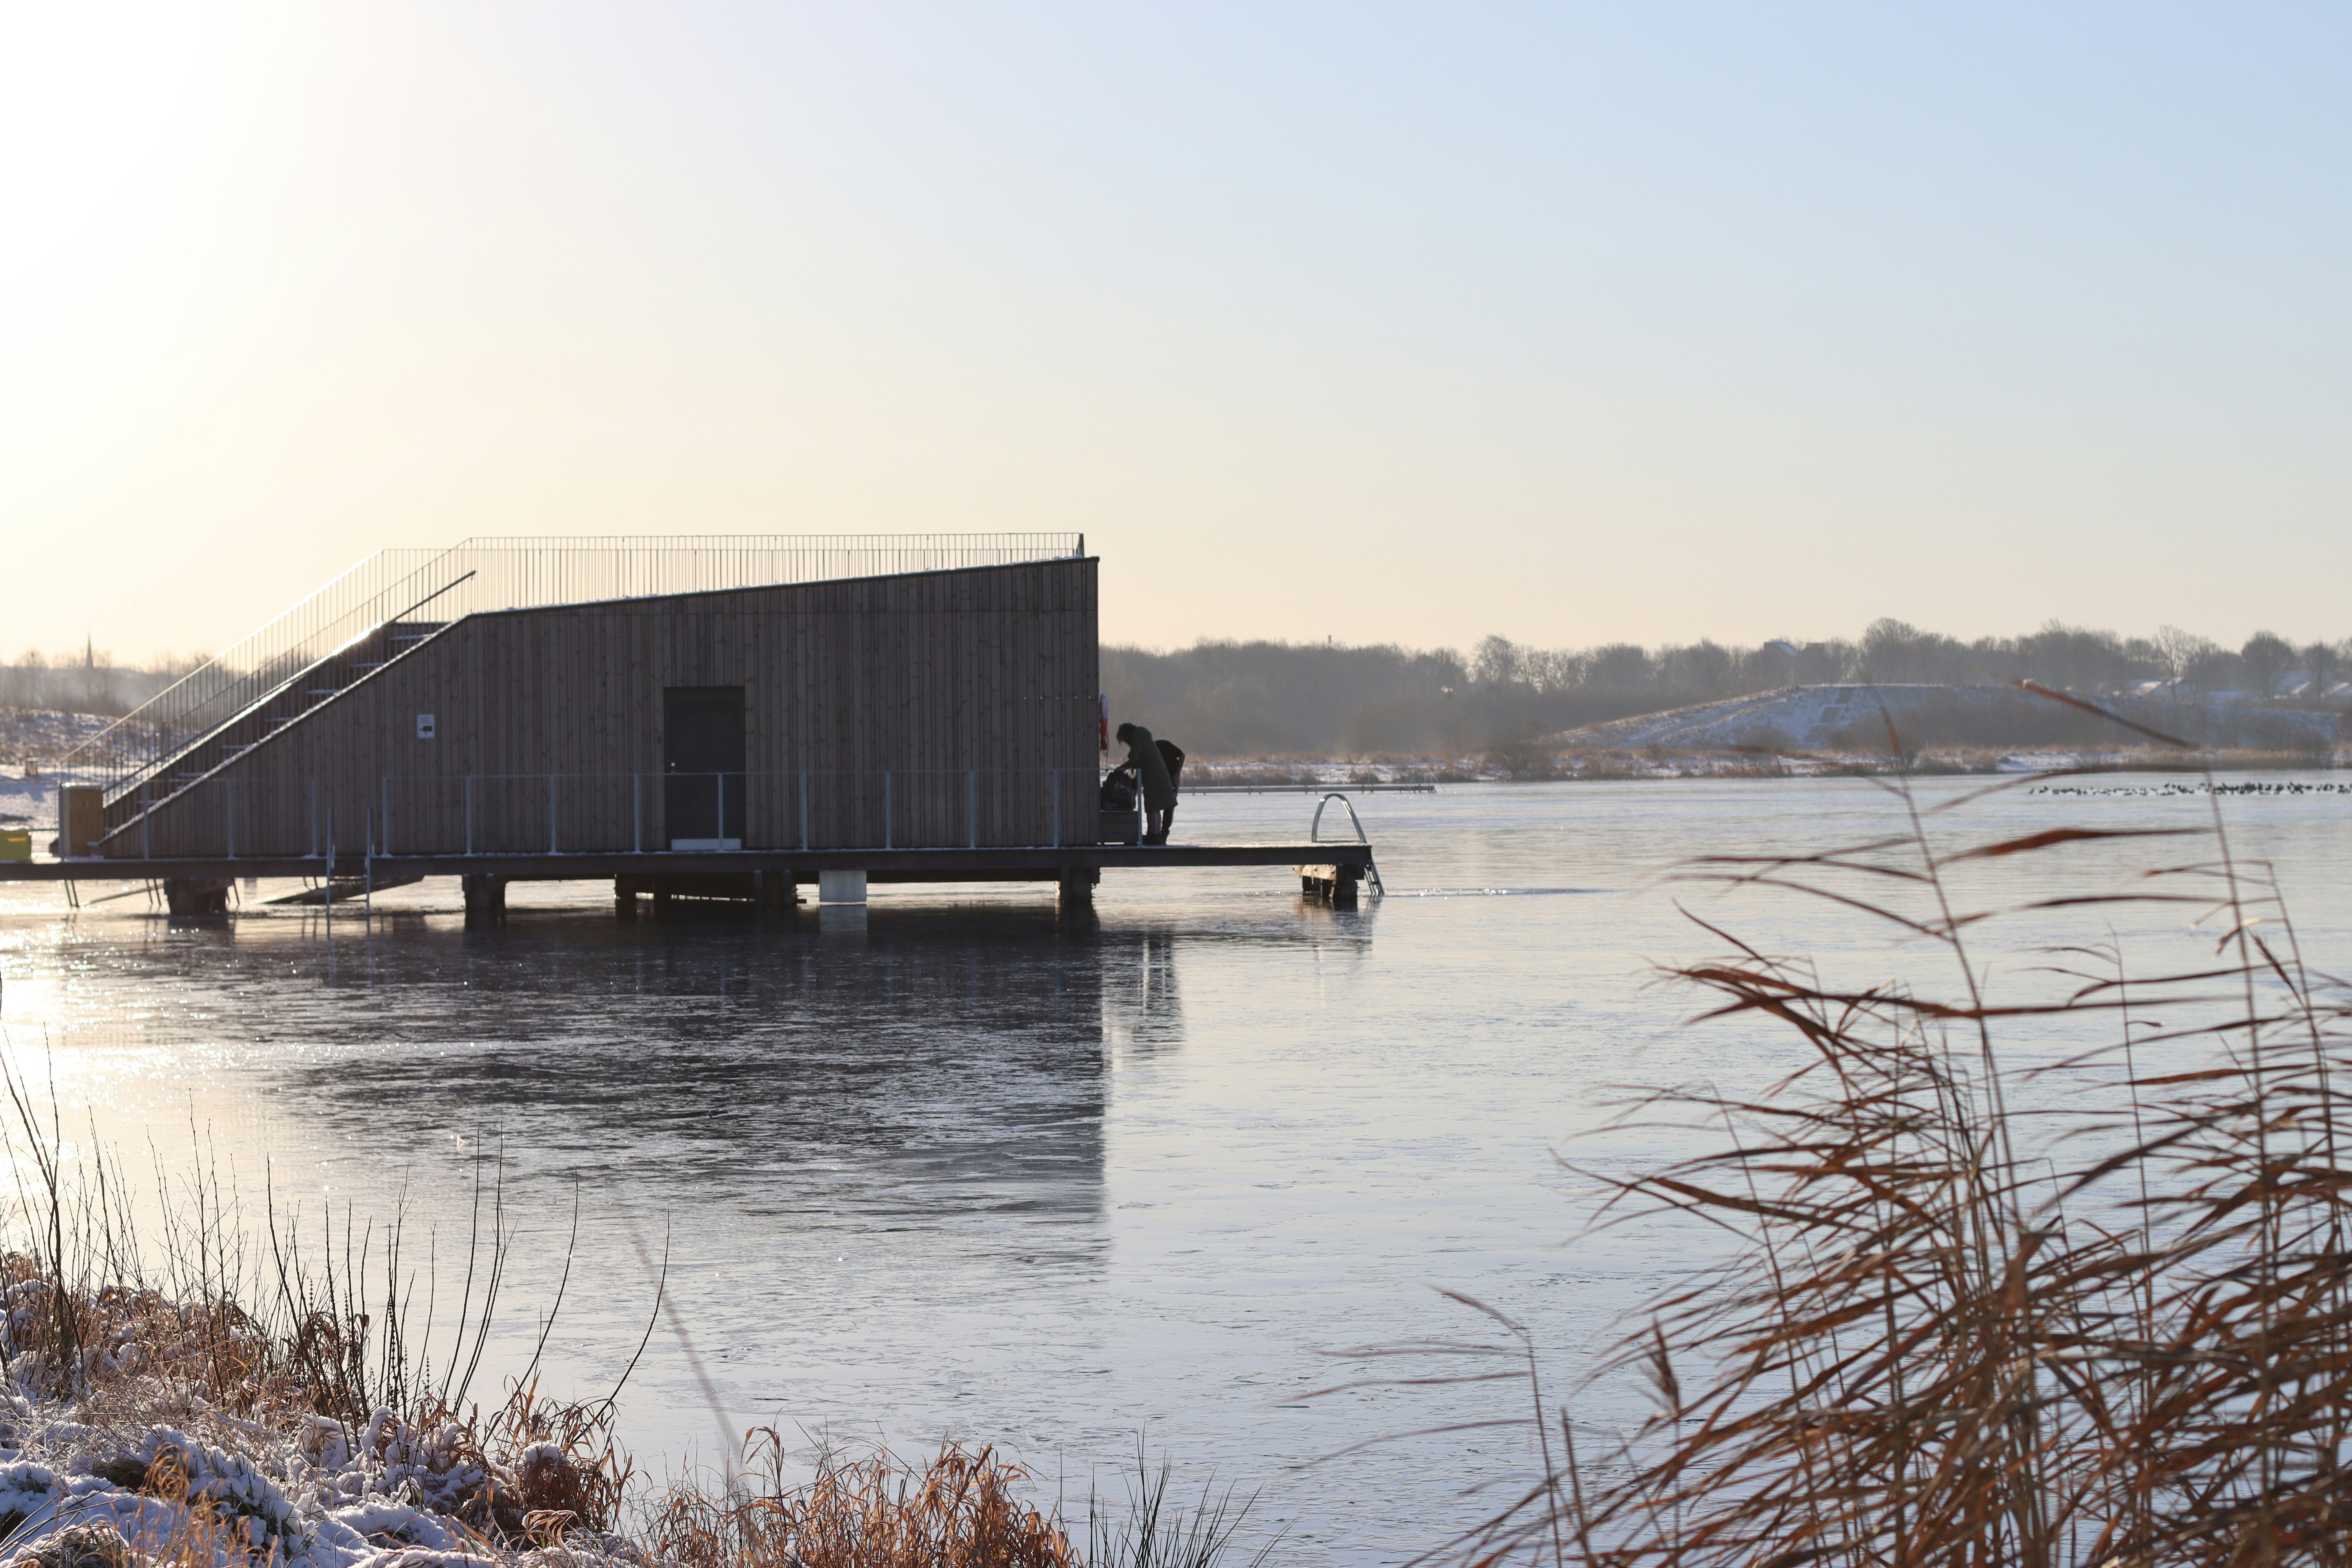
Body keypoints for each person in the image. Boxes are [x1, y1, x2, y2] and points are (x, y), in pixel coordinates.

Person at [1116, 721, 1178, 844]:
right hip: (1160, 777)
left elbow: (1134, 761)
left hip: (1153, 779)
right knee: (1157, 808)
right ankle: (1158, 834)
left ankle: (1152, 835)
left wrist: (1119, 770)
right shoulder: (1145, 739)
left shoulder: (1138, 741)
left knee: (1151, 808)